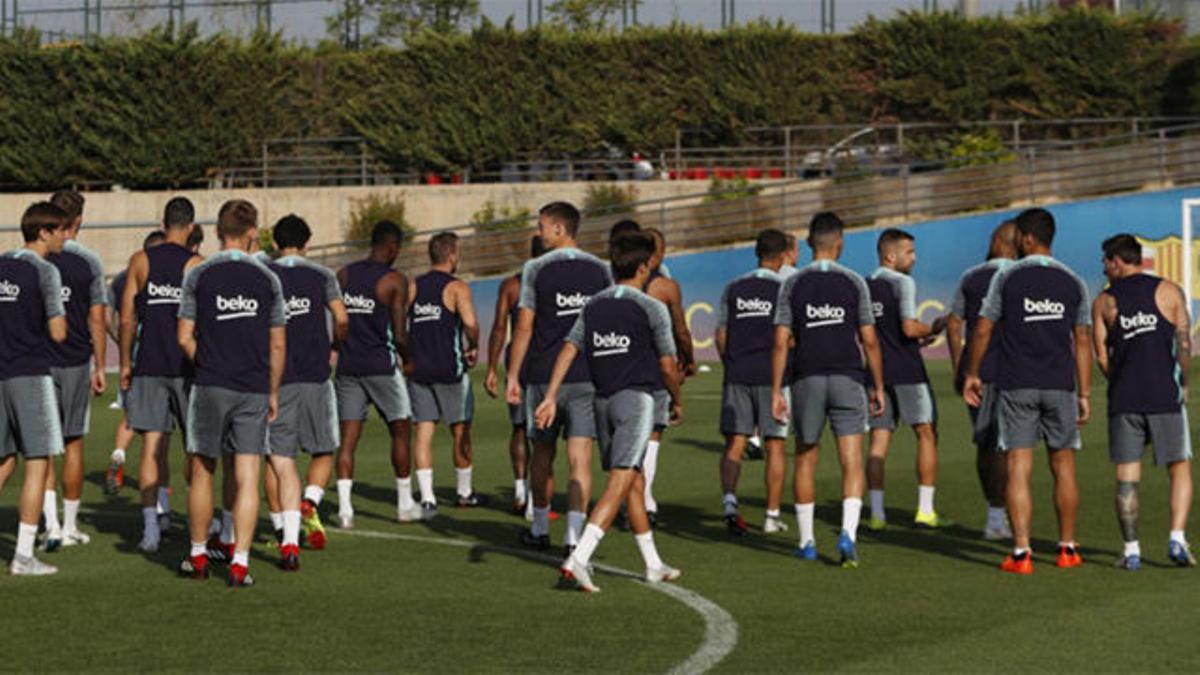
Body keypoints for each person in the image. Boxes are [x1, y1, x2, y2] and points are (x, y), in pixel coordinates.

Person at [537, 231, 682, 592]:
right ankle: (579, 559)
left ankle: (652, 564)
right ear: (647, 266)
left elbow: (569, 350)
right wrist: (677, 398)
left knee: (633, 482)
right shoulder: (652, 307)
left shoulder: (594, 304)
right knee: (621, 480)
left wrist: (550, 395)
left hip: (602, 401)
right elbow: (667, 364)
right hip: (635, 401)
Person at [963, 207, 1092, 575]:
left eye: (1019, 236)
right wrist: (1084, 392)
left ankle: (1022, 553)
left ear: (1028, 239)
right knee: (1063, 466)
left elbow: (983, 329)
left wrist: (973, 372)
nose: (1016, 241)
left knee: (1019, 467)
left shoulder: (1006, 278)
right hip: (1059, 384)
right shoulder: (1073, 281)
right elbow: (1082, 340)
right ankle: (1068, 549)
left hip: (1016, 383)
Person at [177, 199, 286, 587]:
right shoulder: (268, 279)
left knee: (203, 470)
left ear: (219, 231)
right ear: (253, 232)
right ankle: (240, 562)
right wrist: (272, 391)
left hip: (210, 384)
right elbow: (277, 345)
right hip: (253, 387)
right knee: (247, 475)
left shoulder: (198, 274)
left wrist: (206, 359)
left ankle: (197, 555)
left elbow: (183, 337)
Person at [771, 211, 884, 568]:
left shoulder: (792, 283)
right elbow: (869, 339)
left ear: (808, 244)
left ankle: (806, 541)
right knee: (851, 460)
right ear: (840, 244)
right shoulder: (854, 281)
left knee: (806, 456)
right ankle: (848, 532)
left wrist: (776, 389)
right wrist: (877, 384)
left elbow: (780, 341)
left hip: (807, 377)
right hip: (848, 376)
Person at [506, 202, 612, 555]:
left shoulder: (535, 268)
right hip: (587, 374)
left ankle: (539, 529)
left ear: (559, 229)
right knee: (580, 457)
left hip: (543, 374)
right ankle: (572, 538)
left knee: (543, 453)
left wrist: (512, 375)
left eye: (542, 225)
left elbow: (524, 325)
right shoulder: (600, 270)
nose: (538, 232)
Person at [1092, 233, 1194, 570]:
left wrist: (1120, 380)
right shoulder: (1170, 291)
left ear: (1118, 262)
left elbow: (1101, 357)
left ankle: (1132, 550)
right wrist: (1186, 383)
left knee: (1127, 477)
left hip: (1125, 398)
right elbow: (1184, 346)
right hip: (1165, 394)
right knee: (1178, 468)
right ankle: (1177, 538)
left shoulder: (1104, 302)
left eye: (1106, 262)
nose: (1104, 269)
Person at [119, 197, 202, 552]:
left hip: (149, 364)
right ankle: (200, 519)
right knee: (195, 448)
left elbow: (126, 318)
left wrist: (124, 362)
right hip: (187, 367)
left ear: (163, 222)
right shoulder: (197, 265)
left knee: (152, 446)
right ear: (192, 226)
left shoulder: (140, 260)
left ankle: (151, 528)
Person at [264, 215, 348, 559]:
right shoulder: (322, 275)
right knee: (324, 449)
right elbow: (342, 318)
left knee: (277, 458)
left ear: (273, 244)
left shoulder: (266, 276)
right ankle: (310, 500)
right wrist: (335, 346)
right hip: (316, 375)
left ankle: (284, 527)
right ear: (308, 243)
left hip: (277, 379)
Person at [0, 202, 69, 575]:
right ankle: (23, 555)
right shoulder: (46, 272)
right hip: (30, 371)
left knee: (4, 461)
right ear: (43, 232)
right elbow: (58, 332)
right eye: (59, 230)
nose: (64, 237)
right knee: (37, 461)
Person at [864, 228, 947, 530]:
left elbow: (878, 334)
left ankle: (876, 514)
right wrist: (936, 327)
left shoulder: (865, 285)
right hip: (908, 371)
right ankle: (925, 510)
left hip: (876, 374)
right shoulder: (903, 283)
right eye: (909, 252)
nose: (914, 258)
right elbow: (910, 328)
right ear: (890, 256)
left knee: (878, 440)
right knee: (926, 434)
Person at [334, 220, 413, 529]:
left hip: (348, 367)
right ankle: (405, 506)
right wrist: (409, 362)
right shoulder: (395, 280)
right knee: (401, 430)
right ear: (392, 247)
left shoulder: (344, 275)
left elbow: (337, 324)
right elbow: (401, 334)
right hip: (381, 366)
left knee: (348, 440)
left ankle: (344, 511)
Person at [40, 190, 107, 551]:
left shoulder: (39, 258)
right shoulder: (88, 262)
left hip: (39, 360)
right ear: (79, 220)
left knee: (44, 447)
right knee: (73, 441)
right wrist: (100, 363)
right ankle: (67, 525)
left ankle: (50, 525)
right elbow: (97, 317)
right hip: (76, 359)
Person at [716, 228, 790, 536]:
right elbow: (788, 337)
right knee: (774, 445)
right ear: (784, 256)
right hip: (773, 376)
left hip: (738, 373)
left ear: (756, 253)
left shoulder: (734, 287)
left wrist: (731, 363)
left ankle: (730, 504)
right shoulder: (787, 288)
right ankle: (772, 515)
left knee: (735, 442)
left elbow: (721, 335)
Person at [946, 221, 1017, 540]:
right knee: (1015, 447)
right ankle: (1011, 518)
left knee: (987, 444)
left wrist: (958, 367)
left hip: (979, 373)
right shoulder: (1022, 276)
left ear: (999, 241)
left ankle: (995, 515)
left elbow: (953, 324)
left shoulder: (971, 276)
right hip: (1017, 372)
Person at [408, 232, 482, 517]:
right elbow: (471, 324)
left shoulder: (413, 286)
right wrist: (473, 344)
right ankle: (464, 493)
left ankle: (427, 498)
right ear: (451, 255)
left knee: (423, 433)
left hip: (420, 370)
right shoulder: (457, 287)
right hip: (450, 370)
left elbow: (402, 323)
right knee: (460, 431)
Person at [485, 235, 547, 516]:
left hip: (517, 361)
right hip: (544, 362)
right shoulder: (554, 284)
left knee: (520, 427)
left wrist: (491, 369)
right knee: (542, 435)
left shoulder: (512, 285)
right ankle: (535, 500)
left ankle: (521, 491)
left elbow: (499, 328)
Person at [641, 226, 695, 525]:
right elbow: (681, 329)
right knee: (652, 436)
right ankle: (644, 502)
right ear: (657, 253)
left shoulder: (615, 282)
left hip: (620, 368)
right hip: (654, 369)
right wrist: (688, 360)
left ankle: (634, 500)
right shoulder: (665, 286)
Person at [105, 231, 166, 494]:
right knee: (160, 426)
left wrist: (122, 343)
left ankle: (118, 455)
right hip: (159, 351)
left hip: (135, 349)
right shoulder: (166, 273)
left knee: (131, 412)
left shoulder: (121, 278)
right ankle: (160, 491)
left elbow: (110, 316)